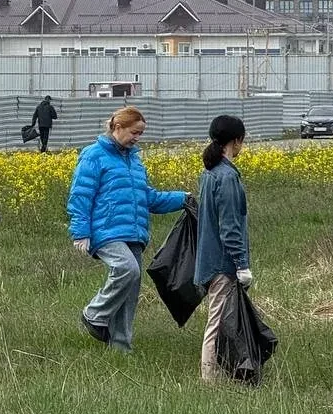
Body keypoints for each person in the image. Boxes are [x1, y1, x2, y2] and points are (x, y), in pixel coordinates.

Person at [67, 105, 188, 353]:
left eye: (141, 133)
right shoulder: (93, 155)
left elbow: (148, 198)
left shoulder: (134, 160)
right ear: (118, 127)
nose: (137, 138)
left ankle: (121, 348)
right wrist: (81, 232)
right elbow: (80, 195)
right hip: (105, 231)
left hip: (134, 233)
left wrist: (182, 198)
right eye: (134, 132)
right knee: (127, 269)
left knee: (131, 290)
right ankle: (94, 314)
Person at [195, 114, 252, 382]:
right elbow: (229, 227)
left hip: (210, 259)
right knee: (217, 322)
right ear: (236, 141)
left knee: (221, 319)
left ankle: (227, 372)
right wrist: (241, 264)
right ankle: (210, 379)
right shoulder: (227, 177)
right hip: (222, 263)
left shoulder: (210, 172)